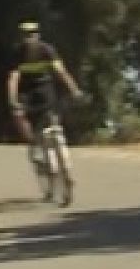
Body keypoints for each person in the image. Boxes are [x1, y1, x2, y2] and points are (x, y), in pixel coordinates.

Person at [7, 19, 84, 170]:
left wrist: (74, 90)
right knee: (18, 114)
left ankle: (56, 143)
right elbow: (13, 78)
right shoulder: (18, 53)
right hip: (25, 90)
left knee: (51, 114)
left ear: (38, 35)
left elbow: (62, 72)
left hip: (44, 86)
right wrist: (12, 98)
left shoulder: (47, 50)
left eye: (32, 33)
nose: (29, 37)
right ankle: (33, 143)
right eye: (26, 34)